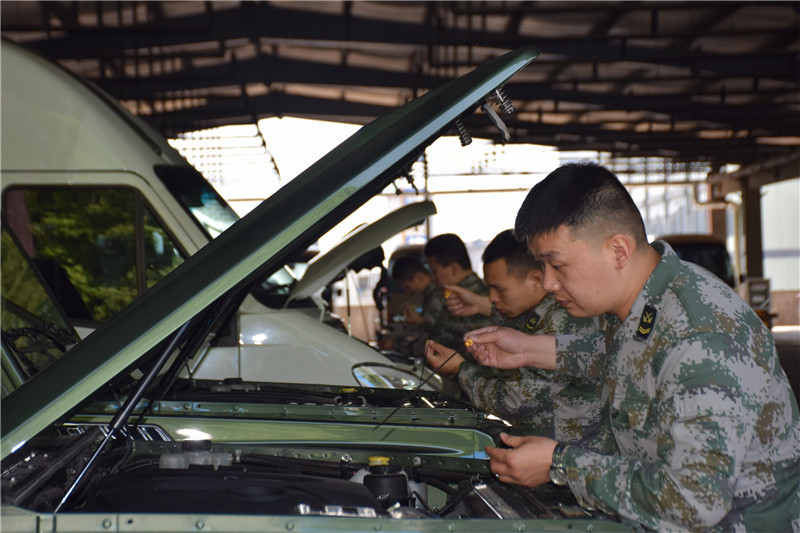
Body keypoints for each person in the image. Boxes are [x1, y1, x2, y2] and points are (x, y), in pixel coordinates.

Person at [465, 162, 800, 531]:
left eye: (557, 265)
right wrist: (529, 350)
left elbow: (695, 499)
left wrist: (560, 463)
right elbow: (629, 357)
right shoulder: (644, 299)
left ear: (618, 250)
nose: (548, 283)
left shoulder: (700, 335)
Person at [426, 230, 608, 448]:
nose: (492, 297)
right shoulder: (541, 309)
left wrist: (460, 370)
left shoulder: (563, 320)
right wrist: (480, 305)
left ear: (535, 280)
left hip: (571, 456)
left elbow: (512, 400)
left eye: (499, 289)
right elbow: (522, 323)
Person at [383, 256, 444, 358]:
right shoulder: (430, 295)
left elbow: (434, 335)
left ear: (419, 277)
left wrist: (418, 321)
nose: (408, 291)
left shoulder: (436, 296)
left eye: (407, 286)